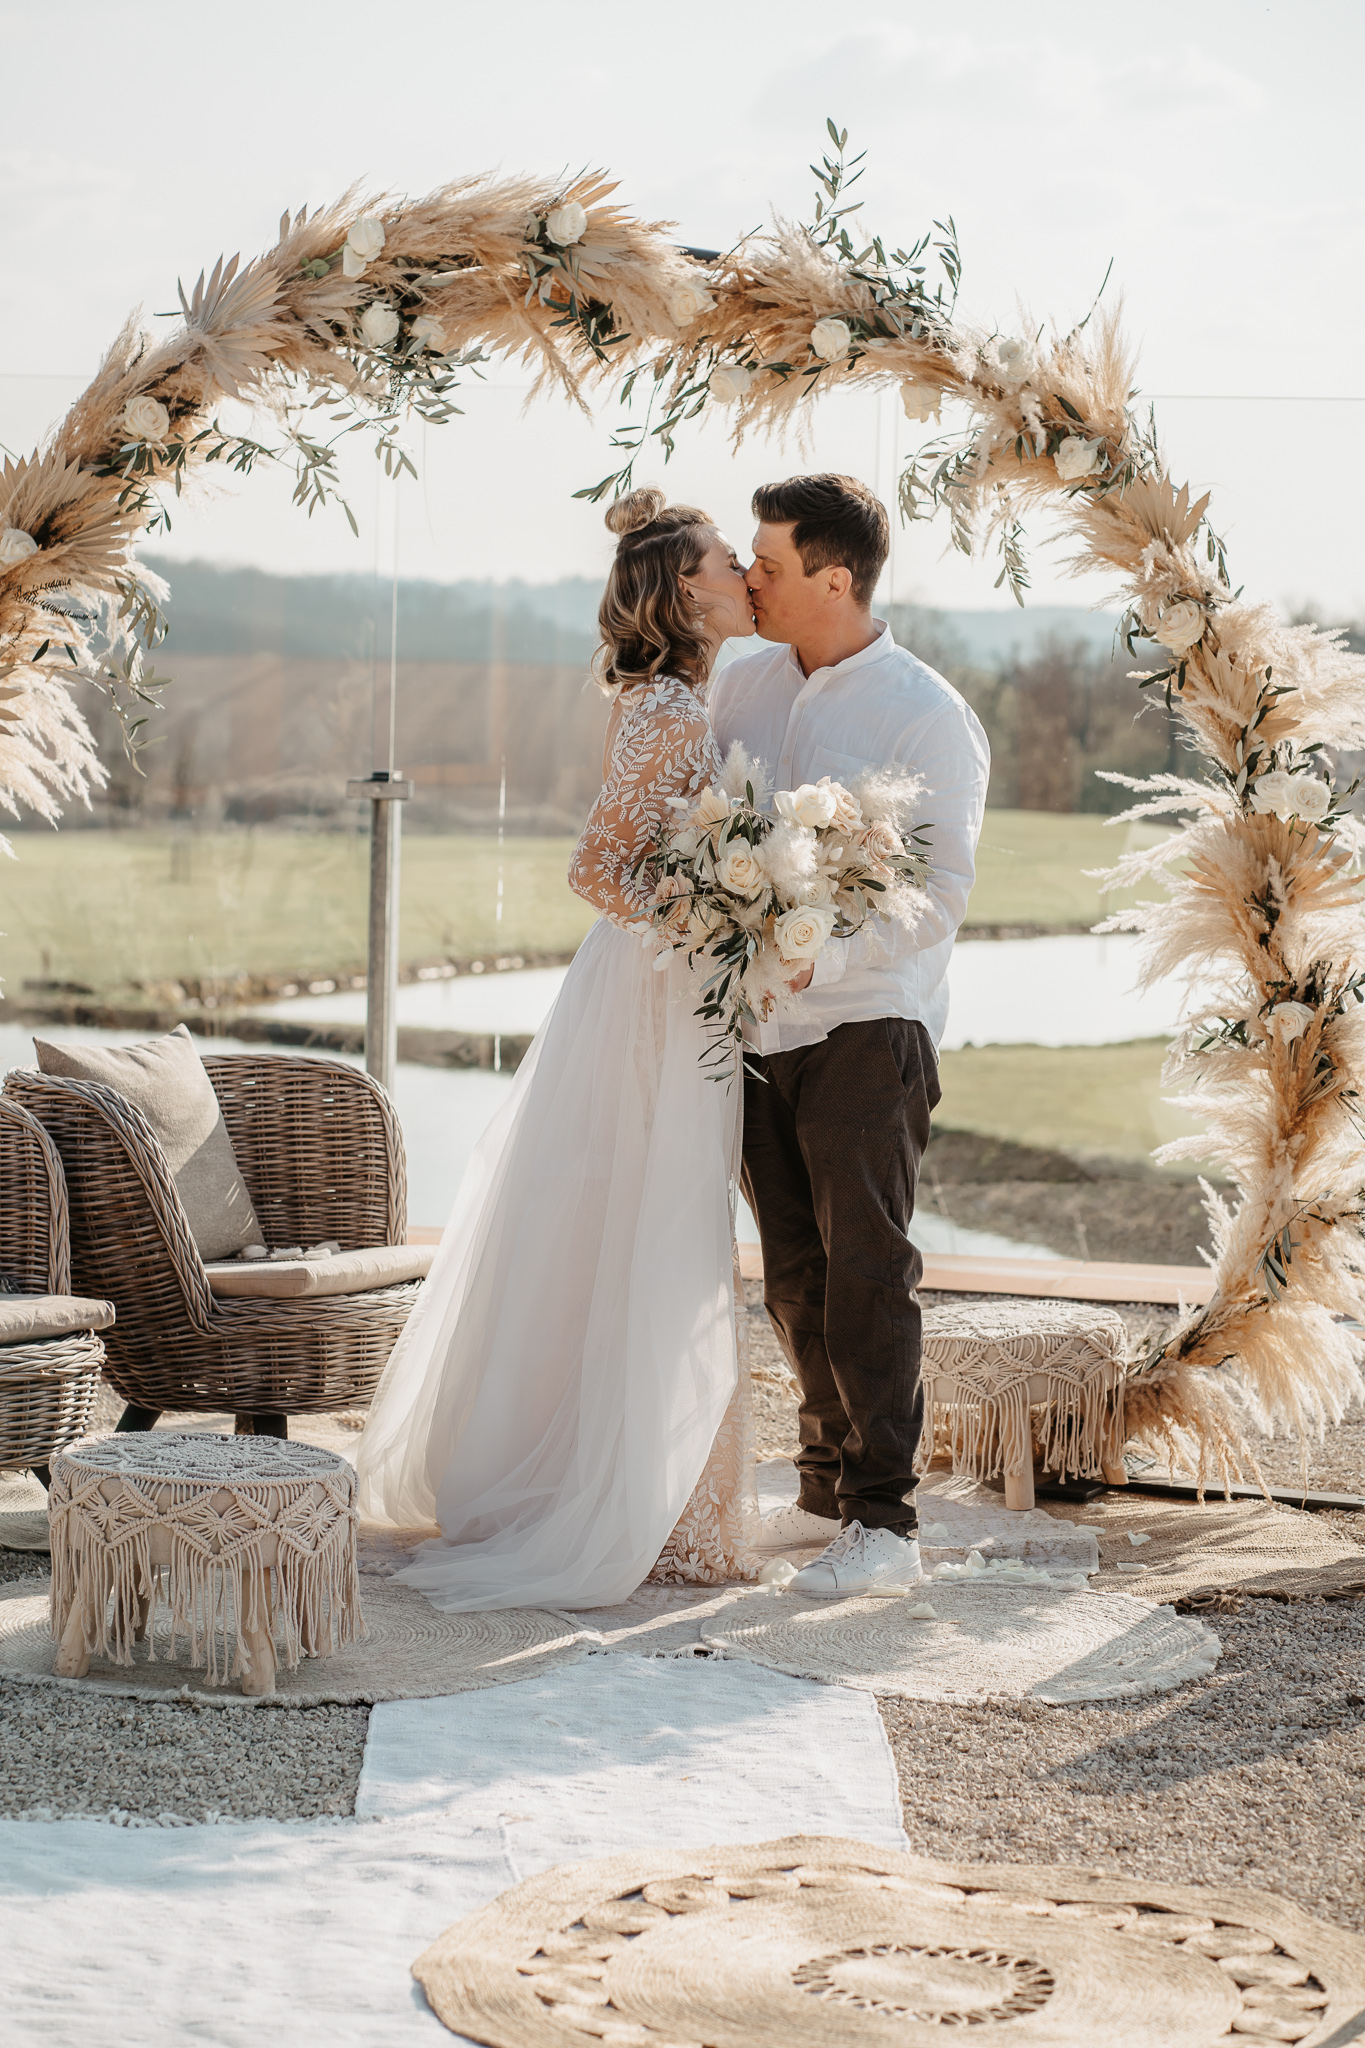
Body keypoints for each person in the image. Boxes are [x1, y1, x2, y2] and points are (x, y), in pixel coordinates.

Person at [356, 488, 761, 1608]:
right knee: (649, 1219)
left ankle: (650, 1485)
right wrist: (703, 920)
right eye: (731, 557)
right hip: (646, 992)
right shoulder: (672, 710)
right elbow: (596, 868)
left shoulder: (681, 696)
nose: (744, 570)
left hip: (665, 985)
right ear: (688, 587)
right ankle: (624, 1495)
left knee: (636, 1222)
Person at [708, 473, 990, 1599]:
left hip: (868, 1024)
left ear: (836, 577)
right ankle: (826, 1478)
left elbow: (940, 893)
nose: (749, 580)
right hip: (754, 1027)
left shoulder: (926, 713)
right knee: (791, 1270)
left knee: (869, 1266)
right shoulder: (743, 685)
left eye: (767, 565)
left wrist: (825, 955)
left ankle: (886, 1520)